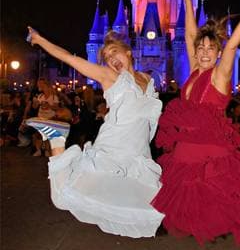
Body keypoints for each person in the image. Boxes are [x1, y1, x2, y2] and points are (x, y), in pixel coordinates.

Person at [151, 0, 240, 246]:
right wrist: (187, 2)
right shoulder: (195, 71)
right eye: (201, 48)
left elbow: (231, 46)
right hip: (188, 142)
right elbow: (189, 36)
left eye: (211, 48)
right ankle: (238, 180)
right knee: (185, 192)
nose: (205, 51)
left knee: (209, 193)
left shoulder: (219, 74)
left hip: (209, 143)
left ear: (217, 53)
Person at [25, 28, 164, 238]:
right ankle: (56, 140)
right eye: (107, 57)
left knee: (148, 207)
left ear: (128, 52)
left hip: (136, 156)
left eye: (114, 52)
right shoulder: (111, 77)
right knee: (63, 197)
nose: (111, 59)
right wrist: (40, 40)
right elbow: (70, 59)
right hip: (113, 149)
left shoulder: (147, 79)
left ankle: (56, 140)